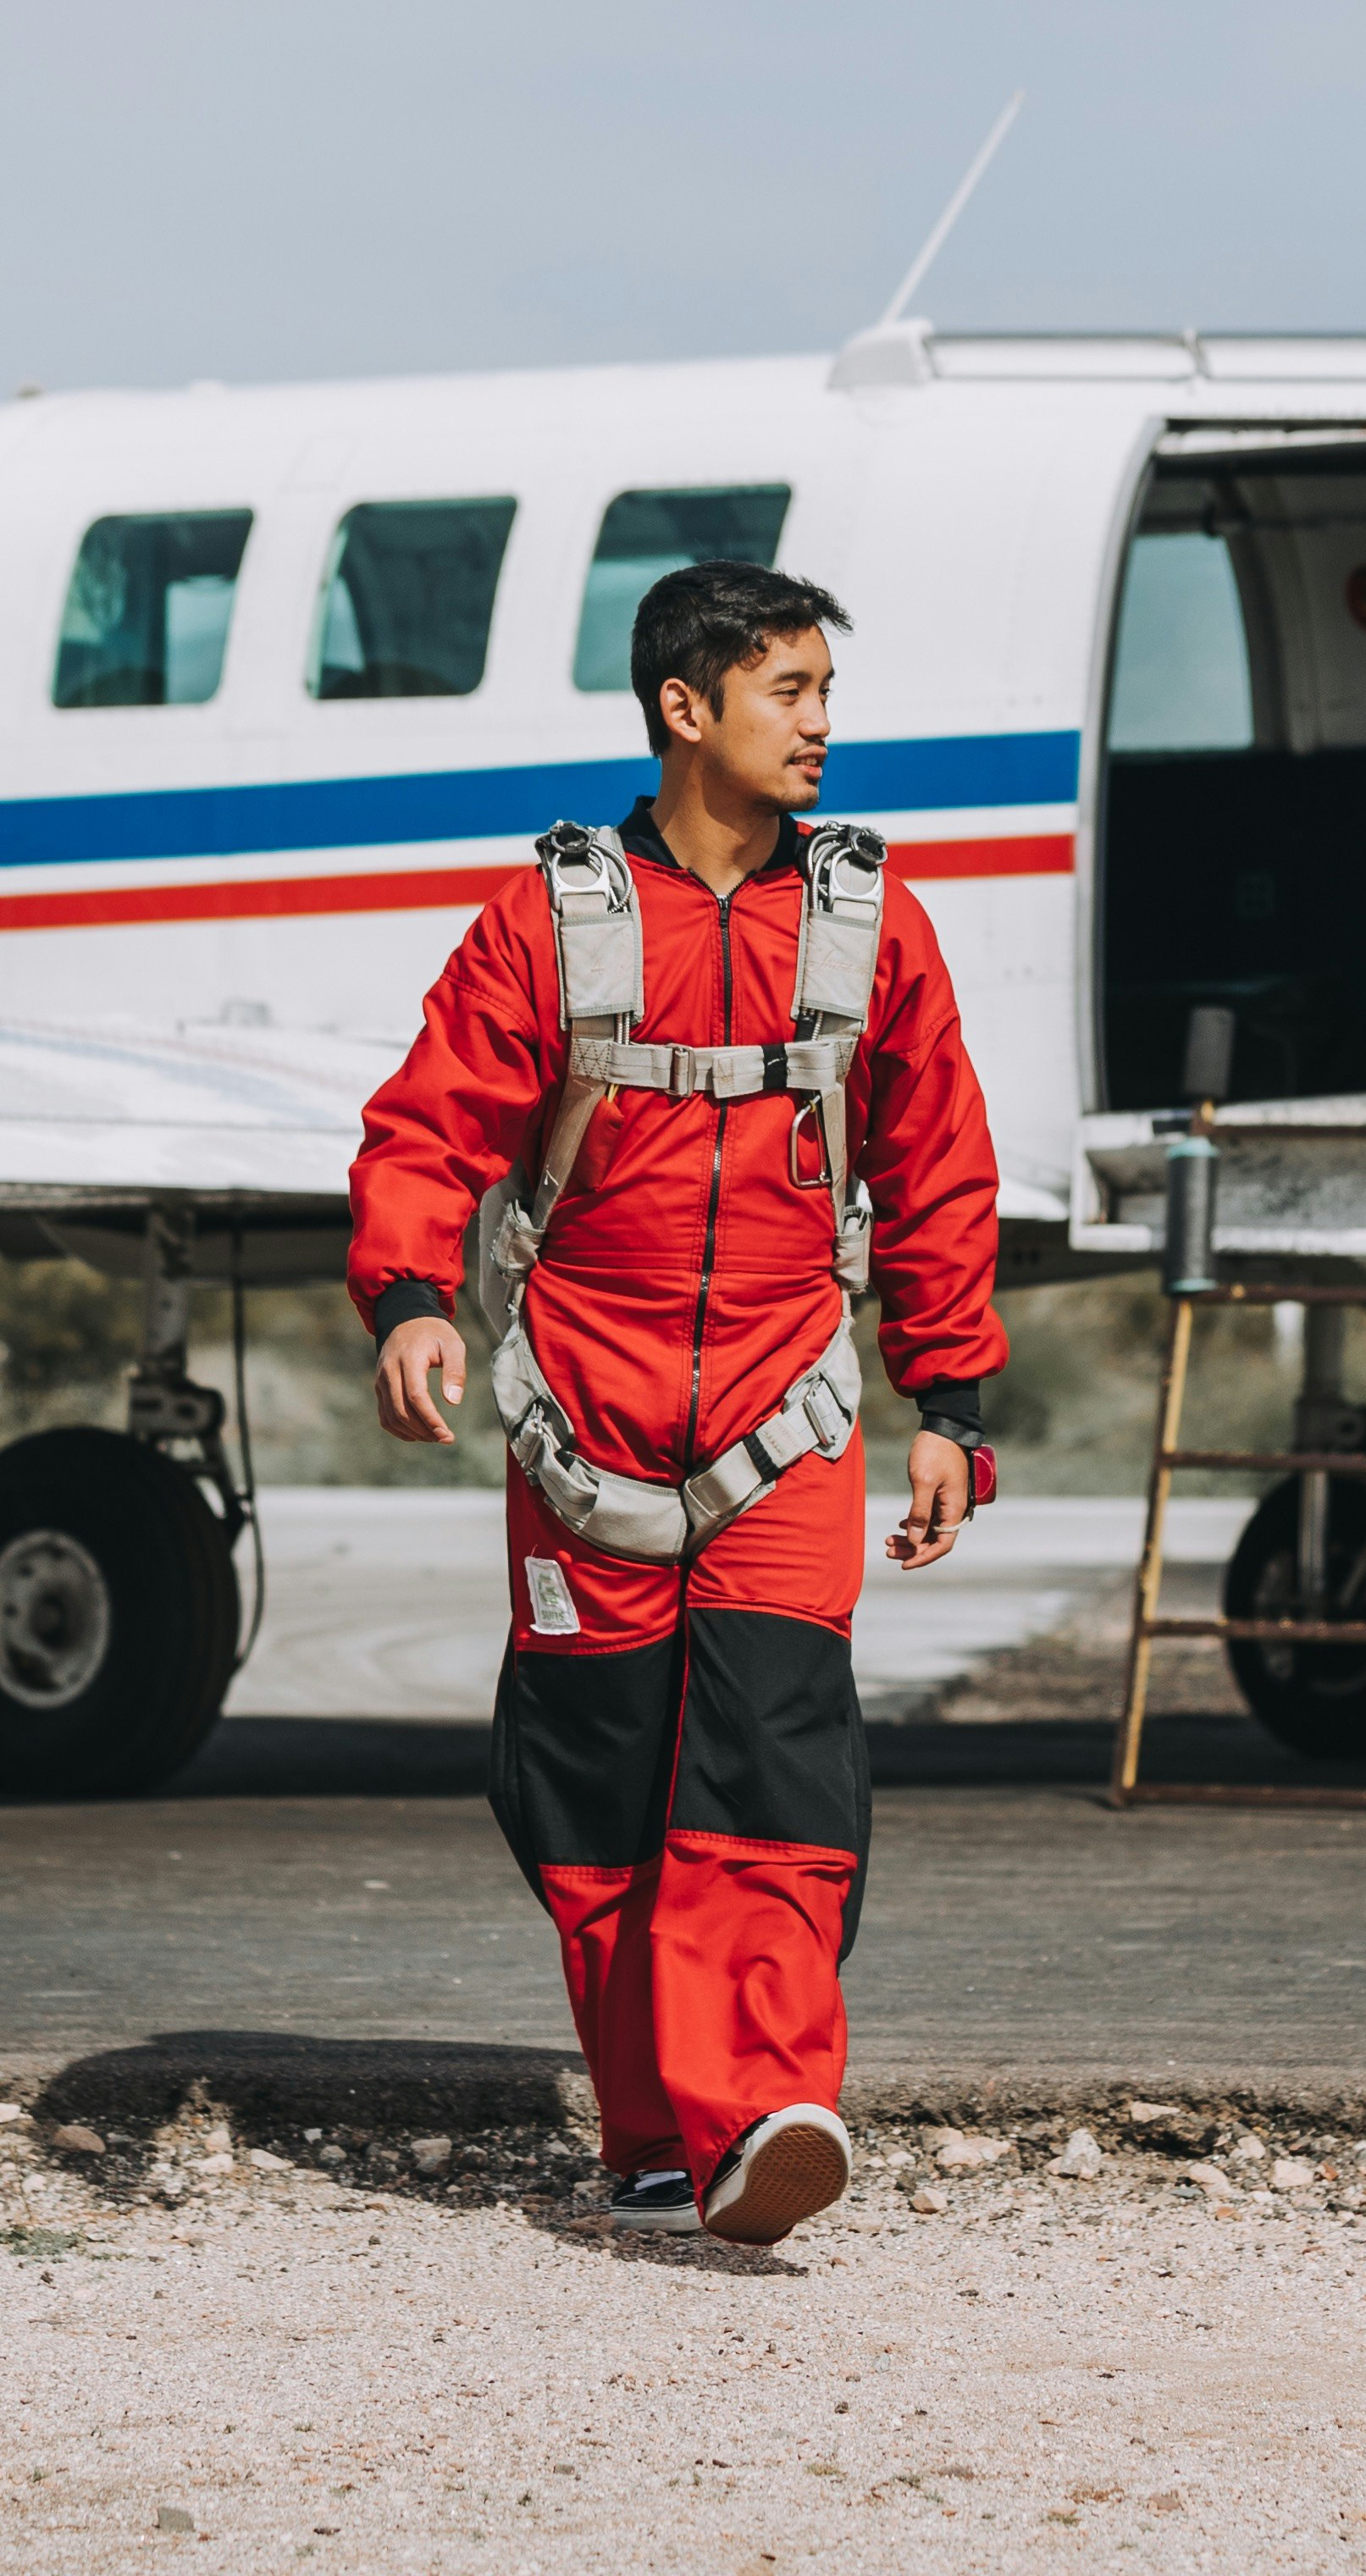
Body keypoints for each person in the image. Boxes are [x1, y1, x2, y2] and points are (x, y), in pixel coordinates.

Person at [348, 559, 1005, 2247]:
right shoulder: (550, 923)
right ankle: (656, 2133)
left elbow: (939, 1168)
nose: (823, 728)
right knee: (593, 1795)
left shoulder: (869, 923)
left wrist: (952, 1397)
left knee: (774, 1770)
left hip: (786, 1415)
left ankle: (761, 2110)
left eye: (825, 692)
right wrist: (412, 1299)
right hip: (583, 1421)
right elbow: (430, 1126)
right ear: (684, 709)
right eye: (791, 693)